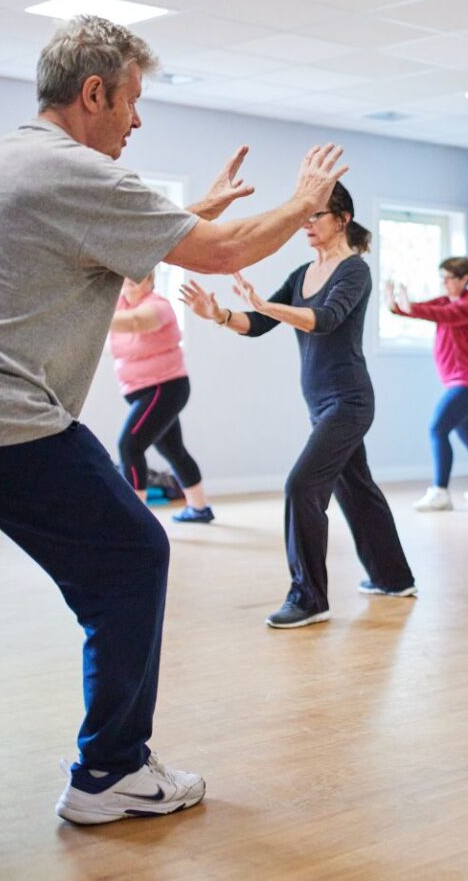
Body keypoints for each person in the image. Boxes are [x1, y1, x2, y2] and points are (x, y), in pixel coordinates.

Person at [0, 15, 348, 824]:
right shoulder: (78, 172)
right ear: (93, 94)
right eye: (132, 101)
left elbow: (109, 239)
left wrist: (195, 214)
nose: (137, 120)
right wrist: (303, 203)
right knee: (132, 557)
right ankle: (111, 770)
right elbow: (222, 254)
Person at [181, 183, 416, 630]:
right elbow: (258, 324)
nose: (306, 223)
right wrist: (222, 315)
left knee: (302, 486)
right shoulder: (303, 273)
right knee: (356, 488)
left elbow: (324, 320)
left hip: (348, 401)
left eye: (316, 215)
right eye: (305, 216)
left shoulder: (354, 272)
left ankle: (309, 598)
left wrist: (265, 305)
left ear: (342, 219)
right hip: (321, 403)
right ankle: (393, 578)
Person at [386, 256, 468, 512]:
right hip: (461, 381)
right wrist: (395, 306)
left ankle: (440, 492)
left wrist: (409, 307)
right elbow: (423, 308)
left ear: (464, 279)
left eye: (449, 278)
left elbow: (438, 314)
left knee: (437, 428)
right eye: (442, 278)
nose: (444, 283)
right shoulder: (445, 300)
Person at [110, 271, 213, 523]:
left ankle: (135, 520)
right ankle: (199, 508)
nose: (131, 277)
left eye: (139, 274)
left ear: (150, 281)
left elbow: (136, 322)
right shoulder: (118, 304)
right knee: (173, 450)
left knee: (129, 446)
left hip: (165, 388)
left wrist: (95, 315)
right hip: (143, 391)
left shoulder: (159, 306)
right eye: (127, 273)